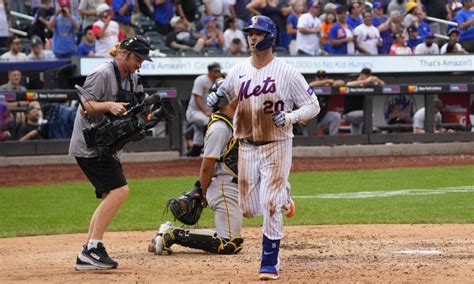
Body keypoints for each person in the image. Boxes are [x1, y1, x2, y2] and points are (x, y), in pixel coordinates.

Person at [206, 15, 319, 281]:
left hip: (277, 144)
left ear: (269, 36)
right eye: (250, 32)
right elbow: (223, 93)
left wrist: (291, 117)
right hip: (246, 145)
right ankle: (285, 196)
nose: (252, 37)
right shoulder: (238, 70)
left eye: (257, 32)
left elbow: (313, 106)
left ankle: (269, 262)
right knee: (247, 208)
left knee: (269, 204)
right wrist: (216, 97)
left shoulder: (287, 72)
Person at [69, 35, 152, 271]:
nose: (140, 63)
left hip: (109, 146)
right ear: (123, 53)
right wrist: (109, 105)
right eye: (138, 58)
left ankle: (88, 250)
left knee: (111, 195)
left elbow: (138, 102)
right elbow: (86, 107)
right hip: (90, 145)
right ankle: (93, 247)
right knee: (119, 190)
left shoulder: (133, 78)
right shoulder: (103, 72)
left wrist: (146, 108)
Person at [148, 95, 245, 255]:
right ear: (228, 101)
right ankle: (172, 234)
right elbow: (207, 166)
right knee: (228, 244)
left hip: (234, 186)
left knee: (230, 240)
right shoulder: (219, 128)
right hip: (224, 186)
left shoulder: (234, 123)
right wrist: (202, 191)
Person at [185, 62, 222, 157]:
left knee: (199, 137)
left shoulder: (217, 81)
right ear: (209, 71)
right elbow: (197, 97)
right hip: (194, 112)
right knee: (210, 123)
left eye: (219, 70)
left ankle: (193, 154)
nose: (218, 72)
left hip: (206, 113)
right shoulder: (201, 79)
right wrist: (205, 112)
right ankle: (212, 149)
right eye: (216, 71)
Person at [343, 68, 385, 135]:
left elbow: (384, 85)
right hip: (349, 114)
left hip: (358, 113)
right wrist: (366, 80)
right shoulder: (354, 81)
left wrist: (378, 81)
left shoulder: (367, 84)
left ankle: (355, 142)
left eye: (369, 76)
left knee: (356, 131)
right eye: (367, 76)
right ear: (362, 75)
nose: (368, 78)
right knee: (369, 114)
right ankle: (369, 133)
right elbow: (348, 84)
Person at [309, 69, 344, 136]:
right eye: (319, 77)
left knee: (336, 116)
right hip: (310, 118)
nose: (321, 78)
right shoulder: (312, 85)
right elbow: (310, 84)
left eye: (323, 77)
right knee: (309, 140)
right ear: (315, 78)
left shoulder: (327, 86)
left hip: (322, 117)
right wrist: (326, 81)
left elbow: (342, 82)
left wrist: (331, 82)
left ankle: (332, 139)